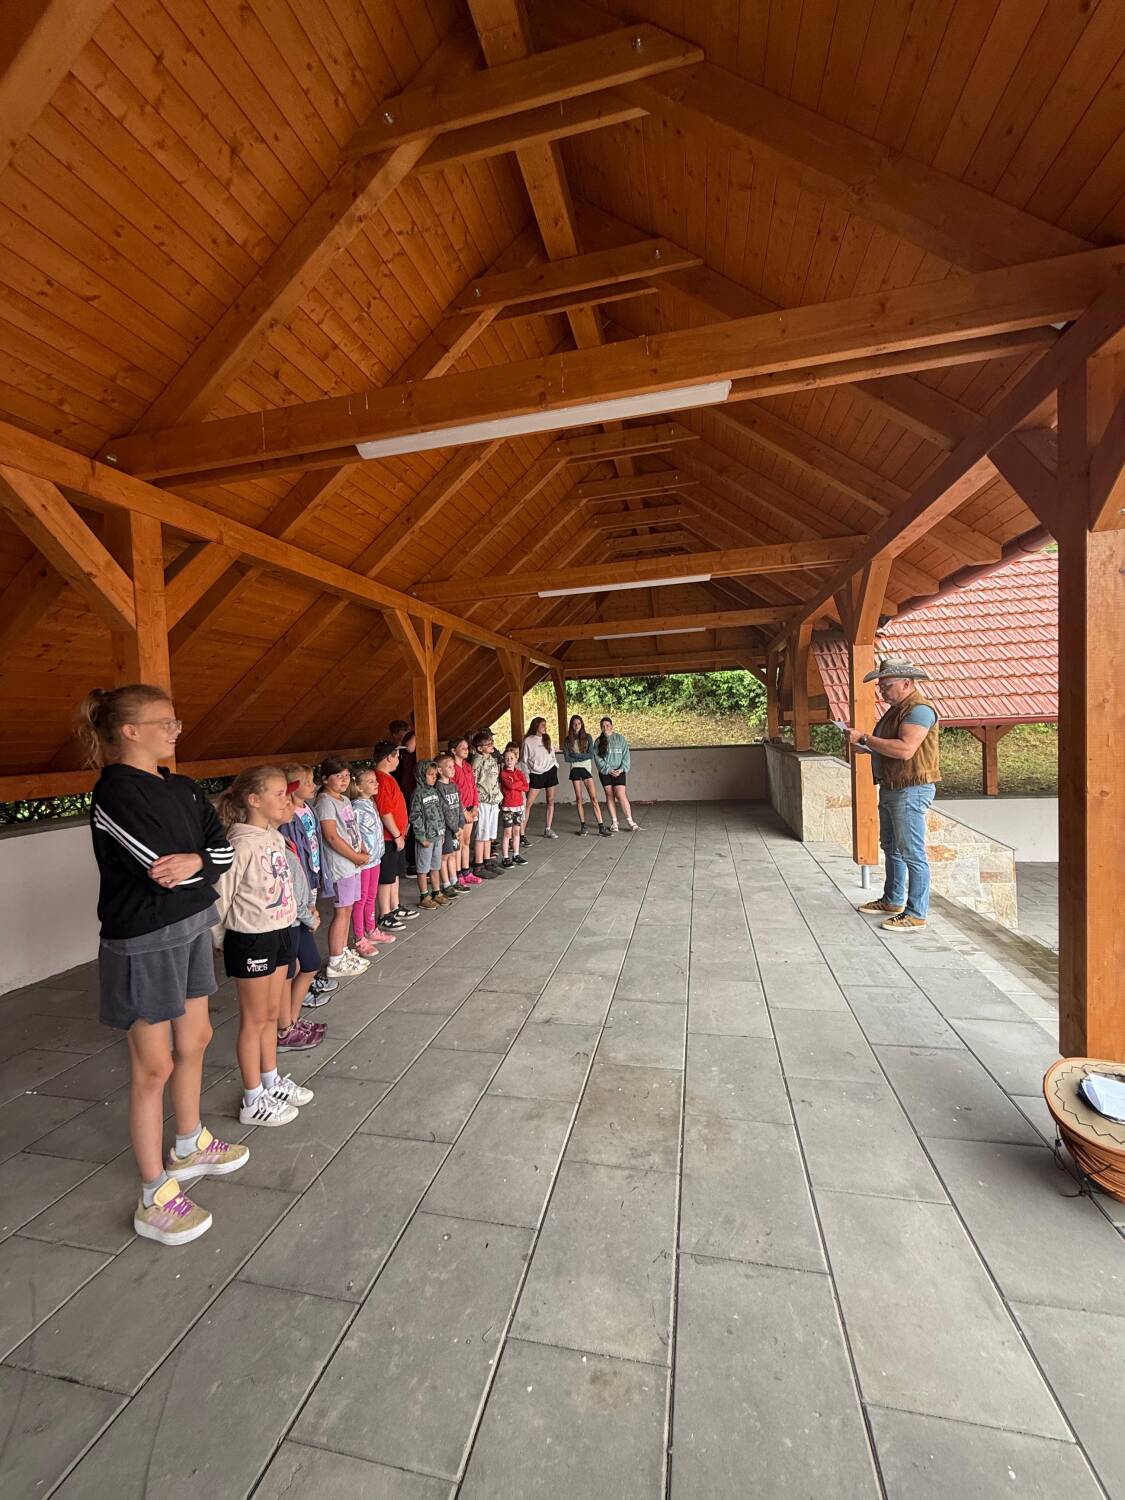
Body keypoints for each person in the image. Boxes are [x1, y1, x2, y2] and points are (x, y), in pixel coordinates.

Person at [81, 683, 245, 1248]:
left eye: (175, 721)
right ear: (130, 731)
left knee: (196, 1038)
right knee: (153, 1066)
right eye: (165, 722)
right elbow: (157, 867)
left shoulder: (182, 786)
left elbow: (222, 851)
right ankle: (154, 1193)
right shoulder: (115, 792)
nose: (176, 730)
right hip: (144, 940)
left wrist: (196, 860)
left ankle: (189, 1142)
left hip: (193, 925)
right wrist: (200, 863)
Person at [214, 766, 315, 1128]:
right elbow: (220, 898)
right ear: (254, 800)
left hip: (280, 931)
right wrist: (222, 940)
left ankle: (271, 1080)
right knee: (254, 1019)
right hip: (251, 938)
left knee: (272, 1014)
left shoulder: (272, 836)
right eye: (278, 794)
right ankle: (252, 1097)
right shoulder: (239, 843)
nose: (287, 801)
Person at [842, 656, 941, 932]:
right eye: (881, 686)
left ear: (907, 683)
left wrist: (865, 739)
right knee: (891, 847)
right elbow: (892, 748)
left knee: (911, 852)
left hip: (910, 789)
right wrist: (869, 748)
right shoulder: (898, 710)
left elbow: (905, 749)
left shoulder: (919, 710)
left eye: (887, 686)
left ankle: (916, 913)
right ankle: (893, 900)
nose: (882, 691)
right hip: (893, 786)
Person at [279, 764, 337, 1009]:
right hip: (297, 884)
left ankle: (307, 982)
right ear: (293, 787)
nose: (314, 785)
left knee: (308, 929)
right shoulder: (286, 819)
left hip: (310, 877)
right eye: (309, 781)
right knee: (299, 934)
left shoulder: (308, 809)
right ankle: (299, 990)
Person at [313, 758, 371, 977]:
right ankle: (336, 960)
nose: (344, 780)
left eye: (347, 775)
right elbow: (331, 836)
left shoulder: (344, 799)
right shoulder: (325, 802)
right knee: (342, 910)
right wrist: (355, 856)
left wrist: (361, 849)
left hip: (353, 863)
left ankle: (343, 951)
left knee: (348, 909)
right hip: (341, 864)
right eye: (339, 776)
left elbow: (351, 828)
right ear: (325, 779)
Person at [276, 822, 326, 1051]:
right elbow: (287, 892)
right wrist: (309, 917)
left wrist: (310, 907)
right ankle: (284, 1028)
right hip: (290, 920)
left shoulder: (283, 840)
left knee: (310, 963)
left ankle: (292, 1020)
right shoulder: (272, 846)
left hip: (301, 915)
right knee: (288, 971)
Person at [373, 740, 419, 930]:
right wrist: (396, 834)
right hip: (388, 837)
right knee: (386, 877)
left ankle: (394, 906)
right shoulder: (381, 779)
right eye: (397, 756)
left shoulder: (387, 778)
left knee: (395, 874)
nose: (399, 759)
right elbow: (385, 811)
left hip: (396, 835)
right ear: (388, 758)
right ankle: (384, 913)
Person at [349, 765, 391, 955]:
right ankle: (359, 938)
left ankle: (371, 929)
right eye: (371, 782)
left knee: (371, 896)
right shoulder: (356, 808)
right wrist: (360, 854)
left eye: (376, 781)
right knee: (361, 898)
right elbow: (354, 835)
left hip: (376, 859)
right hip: (364, 861)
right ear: (358, 787)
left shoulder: (370, 803)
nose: (376, 784)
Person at [563, 714, 612, 837]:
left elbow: (590, 755)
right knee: (579, 798)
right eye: (574, 724)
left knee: (593, 798)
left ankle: (601, 826)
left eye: (579, 723)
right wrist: (580, 756)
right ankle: (583, 825)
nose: (577, 726)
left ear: (582, 724)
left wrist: (576, 755)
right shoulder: (567, 739)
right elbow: (567, 758)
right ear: (571, 725)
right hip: (575, 769)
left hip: (586, 769)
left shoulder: (588, 737)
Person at [410, 759, 447, 909]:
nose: (434, 777)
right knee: (423, 868)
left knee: (435, 866)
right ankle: (424, 896)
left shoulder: (434, 791)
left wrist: (442, 831)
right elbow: (415, 816)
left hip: (437, 835)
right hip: (425, 838)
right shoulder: (418, 794)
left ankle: (436, 892)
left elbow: (439, 812)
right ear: (421, 775)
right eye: (430, 775)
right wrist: (421, 836)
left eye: (435, 775)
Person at [594, 717, 641, 831]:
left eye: (607, 725)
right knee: (609, 795)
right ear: (601, 728)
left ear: (611, 726)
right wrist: (609, 770)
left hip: (619, 771)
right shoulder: (598, 742)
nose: (605, 728)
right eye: (603, 726)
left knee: (621, 794)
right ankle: (614, 822)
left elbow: (626, 756)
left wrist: (621, 769)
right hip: (605, 772)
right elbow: (598, 759)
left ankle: (630, 821)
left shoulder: (620, 739)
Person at [471, 728, 503, 878]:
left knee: (489, 834)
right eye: (488, 744)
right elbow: (473, 783)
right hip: (482, 800)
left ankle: (487, 861)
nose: (492, 745)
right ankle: (478, 864)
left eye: (492, 743)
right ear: (479, 748)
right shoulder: (477, 762)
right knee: (481, 834)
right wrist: (474, 803)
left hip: (493, 800)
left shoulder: (492, 760)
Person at [451, 737, 482, 887]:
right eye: (462, 747)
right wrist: (463, 810)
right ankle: (457, 873)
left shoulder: (467, 766)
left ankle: (466, 871)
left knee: (467, 841)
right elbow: (453, 792)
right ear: (453, 750)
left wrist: (475, 805)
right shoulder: (452, 768)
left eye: (467, 747)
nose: (466, 750)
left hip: (470, 808)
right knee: (459, 842)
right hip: (459, 810)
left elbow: (473, 787)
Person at [521, 717, 559, 838]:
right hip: (536, 774)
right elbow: (524, 760)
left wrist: (555, 764)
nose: (545, 727)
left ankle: (548, 829)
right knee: (528, 803)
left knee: (550, 800)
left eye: (545, 725)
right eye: (543, 725)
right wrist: (527, 776)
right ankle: (521, 833)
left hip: (550, 771)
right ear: (536, 726)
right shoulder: (528, 741)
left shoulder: (547, 738)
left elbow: (552, 754)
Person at [388, 720, 418, 876]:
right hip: (407, 788)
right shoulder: (410, 738)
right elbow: (410, 748)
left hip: (409, 787)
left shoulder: (410, 737)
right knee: (410, 825)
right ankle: (411, 862)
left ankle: (413, 861)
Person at [435, 751, 465, 900]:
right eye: (449, 767)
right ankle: (445, 884)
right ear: (440, 770)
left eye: (453, 766)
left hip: (455, 827)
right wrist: (454, 827)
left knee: (453, 854)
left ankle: (454, 881)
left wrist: (461, 824)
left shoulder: (453, 785)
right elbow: (445, 810)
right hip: (447, 828)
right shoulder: (439, 787)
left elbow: (459, 805)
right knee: (444, 856)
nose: (453, 769)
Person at [499, 746, 529, 867]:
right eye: (507, 758)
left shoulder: (519, 772)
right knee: (507, 832)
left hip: (519, 806)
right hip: (508, 806)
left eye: (512, 758)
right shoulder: (503, 774)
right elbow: (510, 786)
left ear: (516, 759)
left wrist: (516, 784)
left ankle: (516, 854)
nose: (509, 761)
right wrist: (519, 783)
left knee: (517, 831)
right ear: (504, 760)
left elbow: (526, 787)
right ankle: (505, 857)